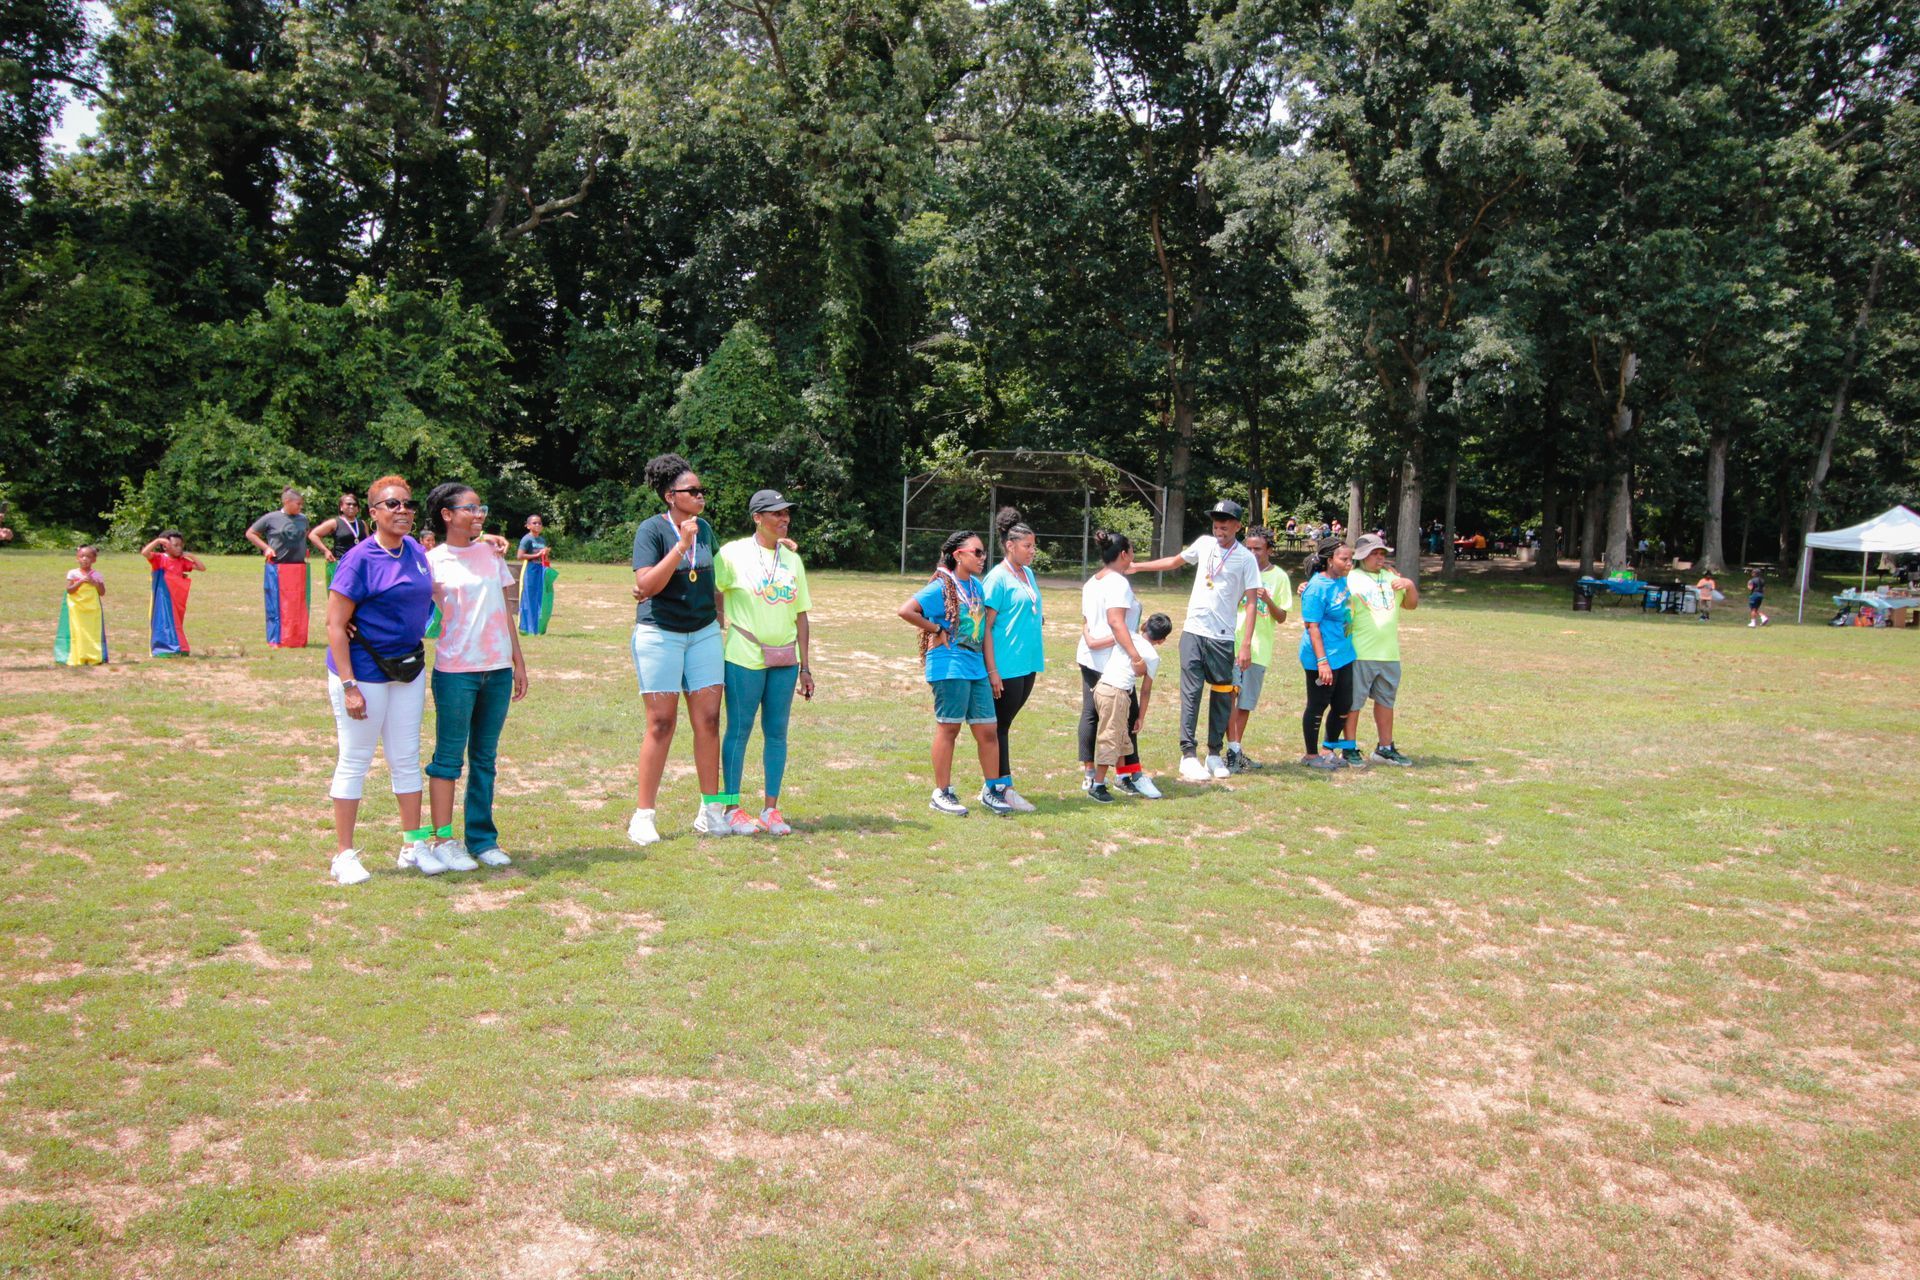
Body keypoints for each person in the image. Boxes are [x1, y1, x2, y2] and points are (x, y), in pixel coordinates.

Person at [323, 476, 436, 885]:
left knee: (406, 758)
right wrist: (349, 686)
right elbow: (336, 625)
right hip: (364, 673)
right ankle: (344, 855)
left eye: (407, 504)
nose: (403, 510)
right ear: (373, 513)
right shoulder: (359, 558)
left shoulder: (418, 552)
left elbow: (433, 593)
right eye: (392, 504)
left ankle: (414, 844)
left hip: (406, 669)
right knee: (355, 759)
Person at [628, 453, 744, 844]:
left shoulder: (706, 529)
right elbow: (646, 586)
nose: (700, 496)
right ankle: (643, 815)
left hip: (703, 633)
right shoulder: (651, 531)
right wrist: (680, 545)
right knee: (661, 723)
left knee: (709, 721)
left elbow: (714, 580)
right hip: (660, 633)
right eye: (691, 491)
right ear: (669, 496)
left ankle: (710, 811)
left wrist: (719, 620)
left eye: (702, 490)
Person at [423, 481, 529, 872]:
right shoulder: (433, 561)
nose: (479, 513)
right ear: (447, 515)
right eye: (469, 508)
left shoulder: (490, 554)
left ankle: (483, 839)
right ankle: (443, 839)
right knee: (448, 759)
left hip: (497, 669)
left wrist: (517, 660)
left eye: (480, 507)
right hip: (455, 671)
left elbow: (504, 610)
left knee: (485, 758)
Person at [1125, 499, 1261, 781]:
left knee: (1223, 694)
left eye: (1225, 523)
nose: (1219, 527)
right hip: (1193, 633)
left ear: (1237, 526)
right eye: (1216, 522)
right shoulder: (1203, 543)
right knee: (1191, 693)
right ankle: (1188, 755)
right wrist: (1138, 567)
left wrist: (1245, 644)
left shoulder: (1246, 559)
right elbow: (1175, 561)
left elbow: (1250, 603)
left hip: (1223, 638)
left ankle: (1214, 754)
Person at [713, 489, 815, 836]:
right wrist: (718, 625)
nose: (784, 519)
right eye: (776, 514)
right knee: (739, 731)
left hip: (785, 659)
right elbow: (715, 589)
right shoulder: (731, 554)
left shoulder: (792, 560)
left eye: (786, 513)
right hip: (744, 656)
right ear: (758, 517)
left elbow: (801, 614)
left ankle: (771, 810)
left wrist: (805, 666)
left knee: (777, 733)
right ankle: (731, 807)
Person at [897, 530, 1012, 817]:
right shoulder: (941, 586)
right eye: (977, 552)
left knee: (987, 729)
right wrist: (936, 629)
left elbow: (984, 630)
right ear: (958, 555)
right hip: (949, 665)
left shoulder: (976, 586)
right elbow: (906, 610)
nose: (982, 557)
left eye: (983, 552)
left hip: (976, 667)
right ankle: (942, 793)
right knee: (949, 727)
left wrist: (992, 670)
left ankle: (992, 789)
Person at [1077, 530, 1152, 803]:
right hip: (1112, 663)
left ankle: (1090, 772)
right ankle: (1124, 775)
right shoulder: (1118, 583)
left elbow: (1089, 623)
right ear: (1124, 554)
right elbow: (1116, 622)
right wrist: (1135, 655)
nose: (1134, 556)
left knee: (1090, 714)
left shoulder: (1092, 581)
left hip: (1089, 657)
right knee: (1125, 718)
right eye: (1132, 551)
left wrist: (1095, 642)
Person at [981, 506, 1045, 812]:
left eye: (1034, 545)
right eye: (1027, 546)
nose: (1032, 551)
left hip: (1028, 662)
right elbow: (985, 626)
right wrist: (992, 670)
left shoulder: (1028, 573)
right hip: (1004, 665)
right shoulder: (996, 578)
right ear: (1010, 546)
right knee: (999, 727)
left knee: (1005, 724)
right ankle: (1000, 788)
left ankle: (995, 784)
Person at [1342, 533, 1419, 767]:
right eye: (1374, 554)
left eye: (1382, 553)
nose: (1379, 558)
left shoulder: (1392, 577)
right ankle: (1349, 748)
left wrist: (1410, 585)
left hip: (1389, 653)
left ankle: (1385, 748)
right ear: (1361, 556)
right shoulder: (1350, 578)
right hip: (1360, 652)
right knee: (1353, 703)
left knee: (1386, 701)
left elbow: (1410, 605)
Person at [1224, 526, 1293, 772]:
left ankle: (1236, 750)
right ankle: (1229, 751)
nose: (1252, 553)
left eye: (1258, 549)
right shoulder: (1236, 570)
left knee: (1245, 703)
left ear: (1269, 550)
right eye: (1248, 548)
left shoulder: (1279, 577)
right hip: (1230, 644)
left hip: (1259, 649)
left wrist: (1267, 600)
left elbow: (1282, 616)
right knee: (1228, 698)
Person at [1297, 538, 1357, 771]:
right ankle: (1311, 756)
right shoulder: (1316, 589)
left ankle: (1328, 750)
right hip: (1320, 657)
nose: (1349, 563)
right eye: (1344, 559)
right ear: (1329, 560)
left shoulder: (1341, 580)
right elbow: (1312, 628)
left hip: (1344, 654)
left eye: (1350, 558)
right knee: (1318, 704)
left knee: (1344, 704)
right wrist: (1323, 662)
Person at [246, 487, 313, 648]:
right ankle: (276, 639)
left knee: (297, 605)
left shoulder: (303, 519)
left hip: (298, 569)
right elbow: (251, 533)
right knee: (276, 606)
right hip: (278, 568)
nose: (300, 507)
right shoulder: (272, 518)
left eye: (301, 504)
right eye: (298, 504)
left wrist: (304, 547)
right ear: (286, 502)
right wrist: (266, 548)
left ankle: (296, 638)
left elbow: (304, 534)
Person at [140, 530, 204, 657]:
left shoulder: (182, 561)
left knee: (176, 623)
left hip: (177, 600)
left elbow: (201, 568)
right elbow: (145, 552)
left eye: (181, 545)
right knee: (163, 621)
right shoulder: (159, 559)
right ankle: (164, 648)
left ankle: (180, 647)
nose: (179, 548)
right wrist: (157, 541)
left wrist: (191, 556)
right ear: (165, 546)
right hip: (163, 598)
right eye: (175, 545)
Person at [55, 545, 108, 666]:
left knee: (91, 630)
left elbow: (102, 592)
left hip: (92, 608)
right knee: (77, 630)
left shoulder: (97, 575)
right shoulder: (73, 573)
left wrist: (94, 583)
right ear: (77, 558)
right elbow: (69, 590)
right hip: (77, 608)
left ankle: (92, 655)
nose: (85, 559)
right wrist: (80, 581)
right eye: (82, 556)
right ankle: (76, 654)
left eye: (88, 557)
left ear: (94, 560)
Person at [309, 492, 365, 590]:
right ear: (341, 507)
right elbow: (313, 535)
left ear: (358, 508)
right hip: (341, 563)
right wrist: (326, 550)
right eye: (348, 504)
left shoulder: (362, 524)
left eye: (354, 504)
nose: (351, 506)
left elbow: (367, 542)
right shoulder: (335, 523)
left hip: (360, 564)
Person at [517, 514, 557, 635]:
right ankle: (526, 627)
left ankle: (537, 627)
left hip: (541, 569)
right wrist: (536, 555)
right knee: (529, 597)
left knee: (540, 597)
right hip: (530, 570)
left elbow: (543, 556)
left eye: (539, 523)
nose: (538, 525)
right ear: (528, 526)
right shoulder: (527, 539)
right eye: (534, 523)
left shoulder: (541, 540)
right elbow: (519, 556)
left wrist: (545, 554)